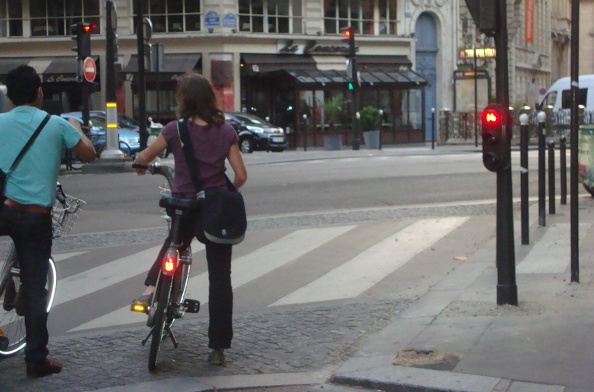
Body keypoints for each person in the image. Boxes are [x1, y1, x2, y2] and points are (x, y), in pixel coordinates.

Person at [131, 72, 247, 366]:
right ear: (210, 98)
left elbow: (147, 156)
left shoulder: (174, 130)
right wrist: (223, 190)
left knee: (173, 241)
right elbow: (241, 175)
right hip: (213, 209)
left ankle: (149, 290)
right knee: (221, 277)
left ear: (183, 100)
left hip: (183, 205)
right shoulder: (226, 131)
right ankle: (218, 348)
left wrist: (139, 163)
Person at [0, 65, 96, 377]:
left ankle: (8, 285)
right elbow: (89, 155)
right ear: (40, 92)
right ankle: (36, 361)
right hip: (35, 219)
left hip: (4, 210)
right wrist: (75, 127)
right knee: (36, 289)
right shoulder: (56, 124)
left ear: (10, 98)